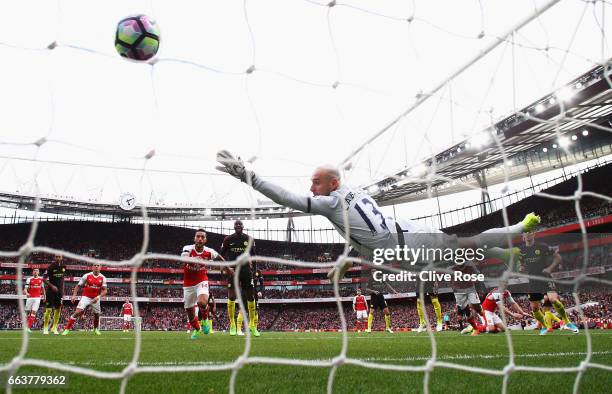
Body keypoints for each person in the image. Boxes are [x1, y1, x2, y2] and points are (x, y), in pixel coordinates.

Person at [215, 151, 541, 279]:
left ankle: (518, 226)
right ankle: (503, 249)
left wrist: (249, 176)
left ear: (333, 183)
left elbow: (288, 199)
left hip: (403, 246)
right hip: (402, 230)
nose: (311, 187)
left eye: (316, 181)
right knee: (461, 251)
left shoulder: (329, 203)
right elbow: (357, 234)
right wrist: (345, 262)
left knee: (464, 248)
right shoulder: (350, 191)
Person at [518, 231, 579, 335]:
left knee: (553, 299)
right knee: (535, 308)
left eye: (530, 232)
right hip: (533, 281)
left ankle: (568, 322)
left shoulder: (542, 246)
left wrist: (550, 268)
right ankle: (545, 326)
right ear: (522, 236)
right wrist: (521, 268)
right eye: (526, 233)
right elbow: (522, 265)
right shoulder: (521, 250)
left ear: (534, 234)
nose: (528, 234)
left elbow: (558, 257)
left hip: (545, 277)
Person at [181, 228, 224, 340]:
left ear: (205, 240)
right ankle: (197, 329)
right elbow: (184, 259)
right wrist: (195, 259)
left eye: (202, 237)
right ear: (194, 238)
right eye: (198, 236)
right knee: (190, 315)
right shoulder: (187, 248)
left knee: (202, 302)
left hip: (202, 280)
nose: (200, 239)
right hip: (188, 284)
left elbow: (219, 256)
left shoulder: (209, 252)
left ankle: (205, 320)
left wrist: (226, 267)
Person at [221, 220, 260, 337]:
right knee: (232, 296)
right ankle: (232, 324)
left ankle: (253, 325)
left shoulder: (249, 239)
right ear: (234, 227)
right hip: (233, 270)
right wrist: (224, 268)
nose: (238, 226)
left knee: (250, 296)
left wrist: (255, 270)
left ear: (243, 227)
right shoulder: (228, 239)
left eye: (240, 224)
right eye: (236, 224)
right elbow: (221, 254)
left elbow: (253, 256)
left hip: (246, 270)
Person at [62, 263, 107, 335]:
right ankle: (67, 329)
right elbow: (78, 286)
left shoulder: (103, 278)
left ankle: (95, 329)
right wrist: (74, 296)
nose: (96, 266)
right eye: (95, 265)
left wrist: (98, 297)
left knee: (97, 315)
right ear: (92, 267)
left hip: (95, 298)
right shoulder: (87, 275)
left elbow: (105, 290)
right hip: (86, 297)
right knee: (77, 312)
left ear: (100, 267)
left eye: (98, 265)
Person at [42, 255, 66, 335]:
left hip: (59, 292)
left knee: (58, 310)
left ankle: (54, 328)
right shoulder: (51, 267)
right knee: (48, 310)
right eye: (56, 256)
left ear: (61, 258)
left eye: (59, 257)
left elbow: (62, 279)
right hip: (50, 291)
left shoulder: (64, 266)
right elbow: (43, 278)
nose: (58, 258)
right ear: (55, 258)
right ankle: (45, 328)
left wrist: (62, 291)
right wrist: (52, 286)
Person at [24, 268, 45, 333]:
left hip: (37, 298)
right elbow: (25, 289)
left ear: (38, 272)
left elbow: (43, 288)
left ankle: (28, 327)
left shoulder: (41, 279)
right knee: (27, 312)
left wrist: (44, 296)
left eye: (37, 271)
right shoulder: (29, 279)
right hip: (30, 298)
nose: (35, 272)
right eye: (34, 271)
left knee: (33, 312)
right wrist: (27, 293)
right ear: (33, 272)